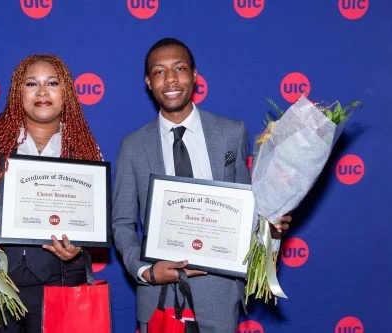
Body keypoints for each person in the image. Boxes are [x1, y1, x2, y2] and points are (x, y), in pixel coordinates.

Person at [111, 38, 291, 333]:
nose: (170, 79)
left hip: (218, 296)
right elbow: (121, 222)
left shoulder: (231, 133)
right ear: (148, 82)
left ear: (195, 75)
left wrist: (269, 227)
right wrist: (146, 271)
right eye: (159, 72)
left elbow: (246, 209)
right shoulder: (133, 146)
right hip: (159, 297)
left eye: (179, 68)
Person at [0, 54, 103, 332]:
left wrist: (79, 245)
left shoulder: (85, 148)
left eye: (52, 83)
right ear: (17, 92)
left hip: (56, 276)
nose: (42, 92)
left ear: (67, 94)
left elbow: (94, 217)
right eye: (30, 84)